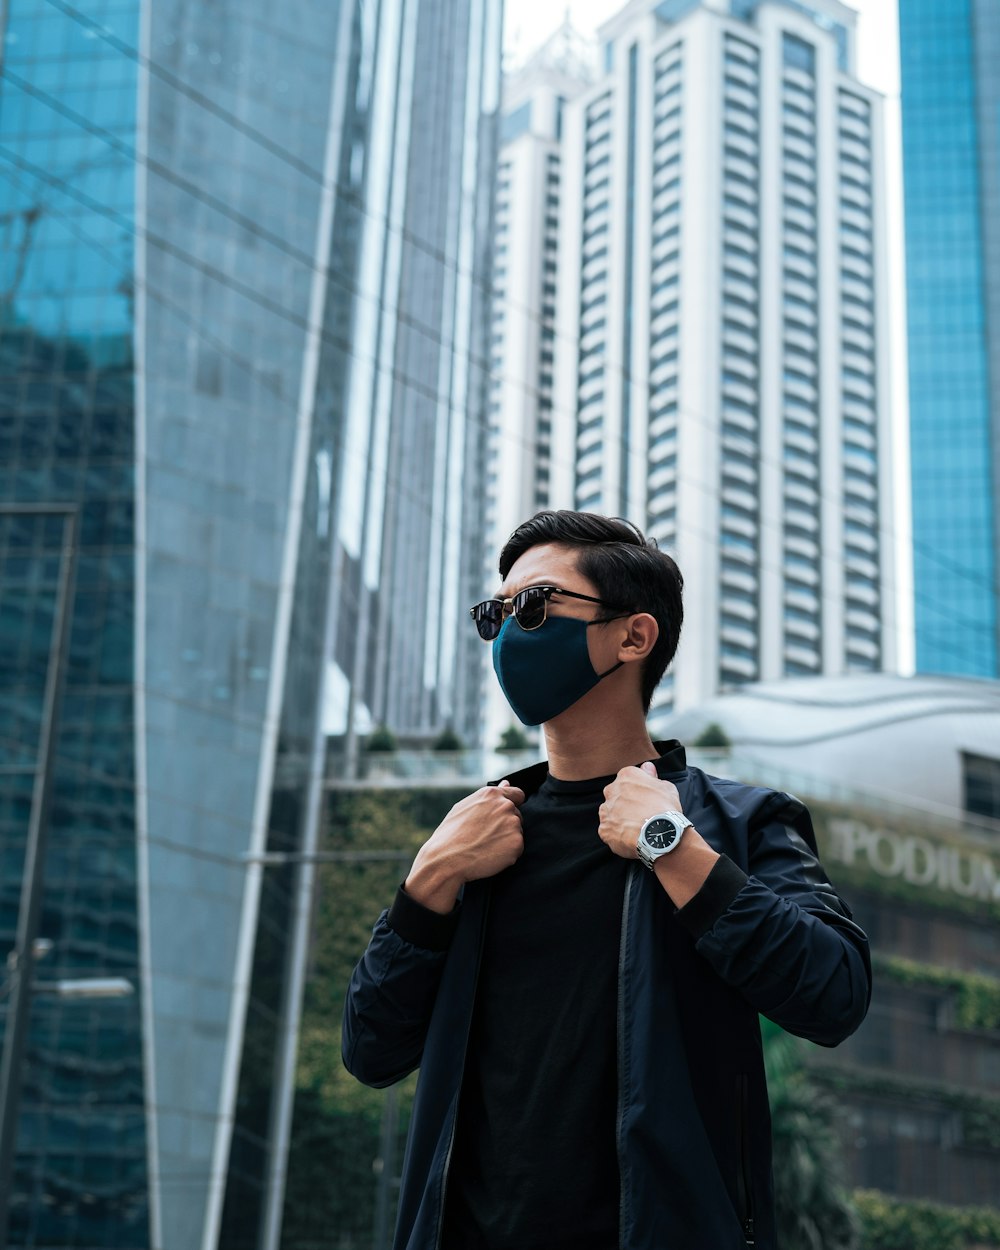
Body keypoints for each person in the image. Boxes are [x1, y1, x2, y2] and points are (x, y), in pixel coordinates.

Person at [343, 510, 871, 1250]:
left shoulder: (740, 822)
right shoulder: (477, 835)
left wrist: (670, 843)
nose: (507, 636)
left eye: (535, 606)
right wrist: (426, 880)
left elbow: (834, 992)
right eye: (494, 614)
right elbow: (371, 1050)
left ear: (633, 636)